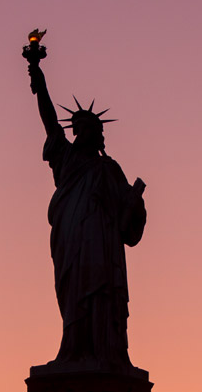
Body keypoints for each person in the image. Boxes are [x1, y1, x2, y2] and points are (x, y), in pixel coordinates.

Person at [25, 49, 147, 373]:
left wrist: (136, 204)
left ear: (98, 134)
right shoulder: (67, 160)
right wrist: (40, 83)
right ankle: (74, 351)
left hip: (102, 245)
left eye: (86, 128)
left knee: (102, 293)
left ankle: (106, 354)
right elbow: (50, 122)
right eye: (76, 128)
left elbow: (127, 221)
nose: (79, 133)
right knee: (74, 293)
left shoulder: (109, 169)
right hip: (71, 238)